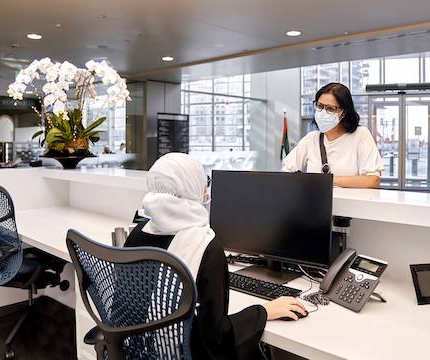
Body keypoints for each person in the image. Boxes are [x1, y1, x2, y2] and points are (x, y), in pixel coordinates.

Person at [125, 153, 307, 360]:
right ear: (190, 187)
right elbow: (215, 338)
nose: (206, 188)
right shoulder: (205, 247)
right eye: (203, 181)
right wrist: (263, 312)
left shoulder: (138, 233)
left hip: (139, 350)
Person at [283, 82, 384, 188]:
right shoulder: (311, 139)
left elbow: (373, 181)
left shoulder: (361, 135)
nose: (322, 112)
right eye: (320, 106)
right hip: (315, 203)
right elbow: (286, 173)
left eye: (330, 109)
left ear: (343, 113)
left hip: (350, 203)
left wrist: (326, 180)